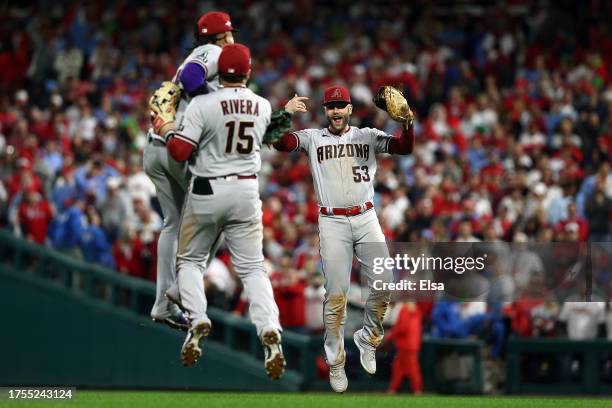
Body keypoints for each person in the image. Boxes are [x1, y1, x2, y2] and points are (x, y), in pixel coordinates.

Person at [163, 43, 296, 380]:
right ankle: (270, 328)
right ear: (248, 72)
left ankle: (197, 317)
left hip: (208, 188)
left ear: (219, 71)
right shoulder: (263, 105)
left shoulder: (203, 104)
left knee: (190, 261)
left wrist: (166, 128)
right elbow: (274, 135)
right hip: (246, 190)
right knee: (253, 269)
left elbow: (179, 152)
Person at [273, 86, 415, 392]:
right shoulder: (313, 138)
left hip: (365, 216)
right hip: (332, 219)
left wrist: (407, 124)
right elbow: (281, 142)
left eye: (341, 105)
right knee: (336, 295)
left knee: (385, 281)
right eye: (331, 106)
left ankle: (368, 338)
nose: (336, 111)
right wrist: (285, 113)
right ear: (325, 111)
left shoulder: (367, 135)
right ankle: (336, 362)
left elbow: (404, 148)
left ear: (350, 108)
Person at [144, 11, 235, 331]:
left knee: (173, 223)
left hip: (156, 148)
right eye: (229, 33)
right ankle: (181, 288)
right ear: (221, 35)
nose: (232, 38)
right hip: (178, 147)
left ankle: (163, 304)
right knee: (224, 215)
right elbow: (191, 79)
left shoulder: (198, 53)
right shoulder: (213, 52)